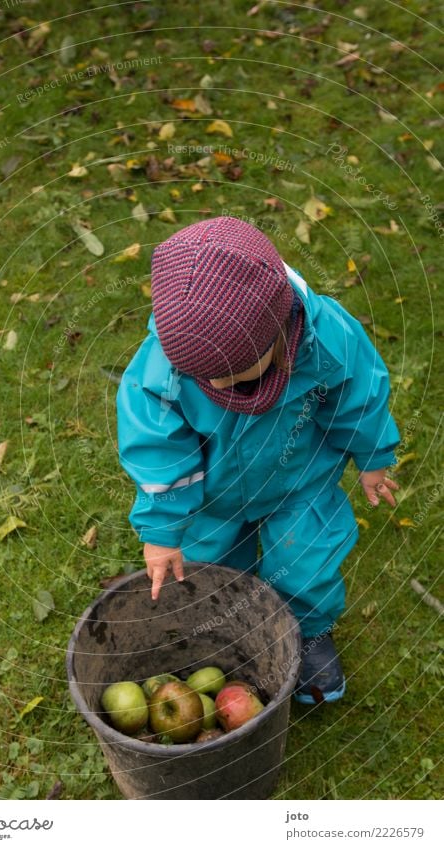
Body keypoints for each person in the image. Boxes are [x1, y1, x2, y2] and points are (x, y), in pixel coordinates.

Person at [116, 216, 400, 704]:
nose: (221, 388)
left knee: (306, 560)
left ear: (277, 334)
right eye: (207, 381)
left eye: (233, 377)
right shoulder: (164, 369)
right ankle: (226, 631)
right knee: (211, 565)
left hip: (299, 481)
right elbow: (158, 448)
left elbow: (359, 392)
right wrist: (162, 530)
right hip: (214, 493)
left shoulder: (323, 337)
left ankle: (306, 633)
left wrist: (373, 455)